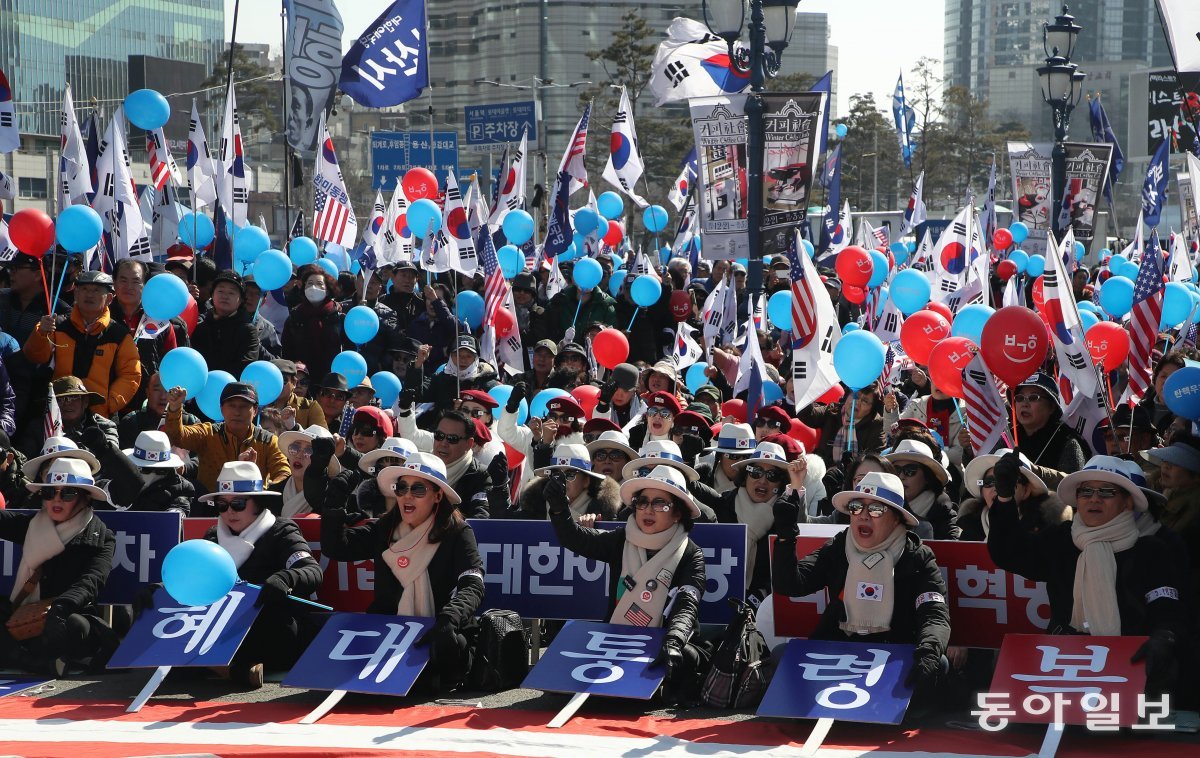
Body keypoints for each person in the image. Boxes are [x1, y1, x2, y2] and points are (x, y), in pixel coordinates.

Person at [988, 454, 1191, 698]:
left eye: (1106, 492)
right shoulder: (1061, 540)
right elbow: (1009, 553)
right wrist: (1004, 497)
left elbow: (1166, 607)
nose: (1094, 499)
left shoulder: (1151, 550)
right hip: (1064, 659)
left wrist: (1163, 638)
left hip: (1131, 663)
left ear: (1127, 503)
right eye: (1086, 492)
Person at [772, 471, 951, 700]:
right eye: (856, 507)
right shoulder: (838, 546)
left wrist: (928, 651)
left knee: (938, 664)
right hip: (837, 652)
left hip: (892, 655)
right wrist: (786, 536)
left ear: (897, 518)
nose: (863, 516)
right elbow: (790, 585)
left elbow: (934, 614)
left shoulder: (917, 557)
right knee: (781, 655)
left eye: (876, 509)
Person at [320, 452, 486, 692]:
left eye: (418, 489)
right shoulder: (384, 528)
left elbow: (473, 583)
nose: (407, 495)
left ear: (438, 495)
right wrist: (333, 506)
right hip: (387, 630)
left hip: (434, 629)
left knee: (452, 643)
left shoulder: (458, 532)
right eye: (401, 488)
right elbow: (337, 548)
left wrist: (450, 618)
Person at [547, 464, 709, 701]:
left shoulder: (691, 554)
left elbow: (687, 603)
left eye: (660, 503)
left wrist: (674, 640)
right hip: (616, 640)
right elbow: (575, 538)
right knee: (558, 679)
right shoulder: (621, 538)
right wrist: (559, 508)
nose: (648, 510)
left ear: (677, 513)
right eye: (642, 501)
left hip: (667, 640)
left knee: (686, 657)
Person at [162, 461, 322, 689]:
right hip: (219, 622)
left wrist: (285, 579)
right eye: (221, 505)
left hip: (264, 622)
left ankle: (211, 666)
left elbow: (310, 569)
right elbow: (191, 578)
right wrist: (160, 589)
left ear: (258, 502)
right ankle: (230, 669)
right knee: (162, 614)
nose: (229, 512)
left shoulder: (282, 530)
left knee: (278, 626)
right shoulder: (213, 536)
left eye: (237, 504)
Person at [0, 457, 118, 676]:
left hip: (69, 613)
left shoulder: (102, 537)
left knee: (75, 626)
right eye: (49, 492)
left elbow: (92, 580)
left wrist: (63, 606)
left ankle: (25, 658)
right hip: (26, 614)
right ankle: (35, 664)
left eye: (67, 493)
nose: (57, 499)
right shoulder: (32, 525)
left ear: (85, 498)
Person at [24, 270, 141, 418]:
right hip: (57, 411)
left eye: (96, 290)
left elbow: (130, 375)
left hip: (100, 417)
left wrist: (110, 403)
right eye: (84, 289)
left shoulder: (119, 335)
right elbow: (34, 356)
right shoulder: (56, 325)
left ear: (109, 298)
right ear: (76, 294)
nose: (89, 294)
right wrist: (41, 333)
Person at [690, 440, 792, 609]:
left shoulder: (786, 517)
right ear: (745, 475)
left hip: (763, 612)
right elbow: (684, 486)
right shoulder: (721, 504)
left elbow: (790, 571)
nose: (763, 480)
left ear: (781, 483)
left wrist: (758, 596)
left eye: (772, 475)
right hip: (711, 604)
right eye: (756, 472)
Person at [163, 381, 290, 496]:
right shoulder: (208, 433)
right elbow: (177, 436)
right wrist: (174, 408)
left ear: (255, 410)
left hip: (253, 508)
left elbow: (284, 473)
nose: (237, 412)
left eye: (244, 406)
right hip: (211, 507)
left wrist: (264, 491)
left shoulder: (268, 441)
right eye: (231, 405)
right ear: (221, 409)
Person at [109, 259, 179, 413]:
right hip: (109, 401)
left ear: (145, 285)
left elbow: (171, 363)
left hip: (148, 405)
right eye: (123, 280)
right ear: (114, 283)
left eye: (135, 281)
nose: (129, 287)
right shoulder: (103, 316)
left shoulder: (160, 320)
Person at [958, 449, 1065, 541]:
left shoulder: (1042, 532)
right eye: (988, 482)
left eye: (1007, 480)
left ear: (1026, 490)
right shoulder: (970, 528)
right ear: (982, 492)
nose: (997, 488)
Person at [1010, 372, 1088, 486]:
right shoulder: (1007, 437)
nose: (1024, 404)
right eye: (1019, 398)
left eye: (1033, 398)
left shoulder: (1066, 442)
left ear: (1051, 407)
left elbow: (1072, 490)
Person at [515, 442, 620, 521]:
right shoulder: (534, 508)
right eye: (556, 474)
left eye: (570, 474)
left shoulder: (603, 515)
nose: (562, 480)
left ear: (586, 481)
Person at [884, 439, 962, 540]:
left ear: (927, 477)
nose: (901, 476)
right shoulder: (880, 506)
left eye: (910, 470)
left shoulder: (944, 514)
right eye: (896, 470)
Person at [189, 270, 260, 379]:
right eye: (221, 291)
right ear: (212, 294)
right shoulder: (200, 325)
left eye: (231, 293)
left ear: (241, 300)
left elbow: (246, 366)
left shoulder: (247, 330)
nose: (225, 296)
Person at [281, 265, 345, 382]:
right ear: (303, 288)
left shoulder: (339, 317)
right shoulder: (294, 318)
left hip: (331, 381)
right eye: (310, 283)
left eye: (319, 284)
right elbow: (287, 352)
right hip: (301, 381)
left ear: (327, 289)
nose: (314, 287)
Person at [121, 431, 195, 515]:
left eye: (161, 470)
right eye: (145, 469)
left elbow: (179, 508)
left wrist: (175, 514)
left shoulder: (183, 488)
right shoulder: (118, 479)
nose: (152, 474)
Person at [277, 424, 341, 518]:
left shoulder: (332, 499)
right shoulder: (273, 493)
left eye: (309, 451)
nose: (299, 455)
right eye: (295, 448)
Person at [267, 359, 326, 431]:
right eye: (273, 380)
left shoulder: (310, 407)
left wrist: (294, 427)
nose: (278, 385)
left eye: (283, 380)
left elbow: (324, 440)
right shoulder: (257, 405)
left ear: (294, 383)